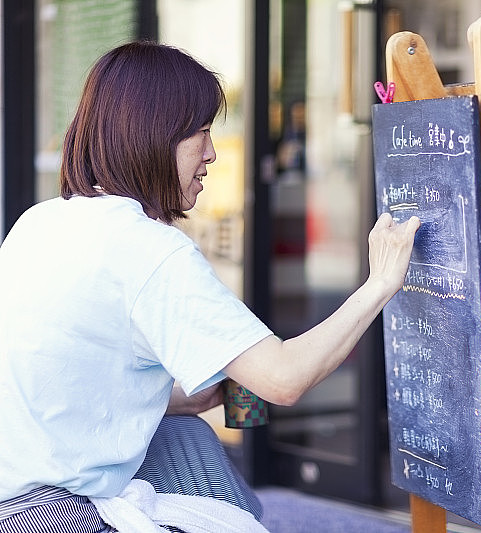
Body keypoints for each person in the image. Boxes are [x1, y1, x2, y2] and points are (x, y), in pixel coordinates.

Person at [0, 41, 419, 532]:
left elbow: (59, 382)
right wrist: (381, 282)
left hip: (13, 493)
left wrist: (181, 398)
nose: (212, 154)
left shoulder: (40, 221)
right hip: (53, 514)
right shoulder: (150, 249)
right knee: (200, 463)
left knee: (186, 435)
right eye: (201, 134)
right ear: (156, 137)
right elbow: (283, 379)